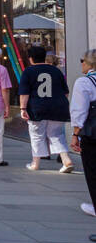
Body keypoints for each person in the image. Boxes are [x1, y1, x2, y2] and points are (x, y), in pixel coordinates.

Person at [19, 44, 75, 173]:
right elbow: (65, 92)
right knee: (56, 134)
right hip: (58, 106)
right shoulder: (55, 70)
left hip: (37, 107)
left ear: (31, 58)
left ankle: (35, 163)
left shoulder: (28, 71)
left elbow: (24, 93)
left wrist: (23, 108)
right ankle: (66, 160)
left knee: (37, 135)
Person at [68, 50, 96, 229]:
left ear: (89, 63)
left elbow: (80, 110)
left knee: (93, 173)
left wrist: (75, 134)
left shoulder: (84, 82)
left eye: (82, 61)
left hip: (93, 134)